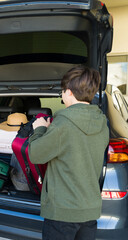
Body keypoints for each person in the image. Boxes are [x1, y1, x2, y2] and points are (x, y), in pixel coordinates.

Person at [28, 66, 109, 240]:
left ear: (69, 92)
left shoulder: (62, 124)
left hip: (63, 214)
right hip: (89, 210)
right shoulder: (102, 122)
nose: (62, 96)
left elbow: (35, 154)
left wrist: (40, 129)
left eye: (62, 91)